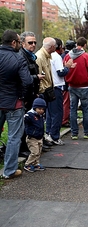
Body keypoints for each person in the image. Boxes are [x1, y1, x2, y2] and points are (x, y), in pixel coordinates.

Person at [0, 29, 33, 179]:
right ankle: (9, 171)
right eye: (20, 41)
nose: (20, 44)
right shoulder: (18, 58)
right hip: (14, 103)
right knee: (14, 138)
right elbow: (27, 81)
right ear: (13, 42)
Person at [63, 37, 88, 140]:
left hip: (71, 86)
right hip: (83, 86)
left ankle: (74, 133)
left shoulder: (67, 56)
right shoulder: (86, 56)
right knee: (85, 110)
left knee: (73, 110)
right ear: (84, 45)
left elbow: (64, 69)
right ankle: (87, 132)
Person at [18, 31, 46, 157]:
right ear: (23, 43)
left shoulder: (31, 56)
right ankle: (23, 147)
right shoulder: (21, 56)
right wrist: (36, 77)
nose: (33, 44)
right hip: (24, 95)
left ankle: (34, 145)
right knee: (25, 122)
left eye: (35, 42)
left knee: (33, 120)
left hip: (32, 94)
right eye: (30, 42)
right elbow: (22, 77)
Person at [45, 38, 75, 145]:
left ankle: (48, 132)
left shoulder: (45, 56)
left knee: (49, 112)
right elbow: (60, 72)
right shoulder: (56, 57)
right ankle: (54, 136)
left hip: (47, 86)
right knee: (57, 112)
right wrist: (67, 67)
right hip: (56, 86)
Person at [23, 98, 47, 172]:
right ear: (34, 108)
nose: (41, 111)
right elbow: (25, 119)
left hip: (39, 137)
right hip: (32, 137)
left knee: (39, 151)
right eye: (39, 109)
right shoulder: (29, 115)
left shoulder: (40, 116)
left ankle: (36, 163)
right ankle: (28, 164)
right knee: (35, 152)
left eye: (43, 109)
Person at [60, 40, 76, 127]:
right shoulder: (69, 56)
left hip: (62, 82)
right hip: (66, 82)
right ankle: (64, 120)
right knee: (66, 102)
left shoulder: (62, 55)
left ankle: (64, 118)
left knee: (64, 102)